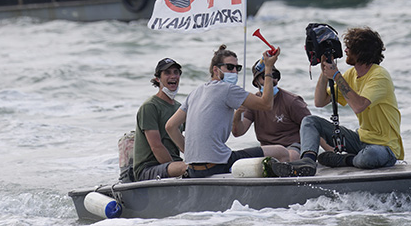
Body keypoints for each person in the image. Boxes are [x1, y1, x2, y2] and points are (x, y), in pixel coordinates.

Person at [269, 27, 402, 177]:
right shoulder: (351, 74)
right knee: (310, 121)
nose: (345, 50)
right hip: (360, 139)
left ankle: (346, 160)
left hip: (385, 146)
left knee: (369, 156)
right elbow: (320, 101)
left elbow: (359, 105)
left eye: (349, 47)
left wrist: (337, 76)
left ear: (361, 52)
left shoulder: (379, 75)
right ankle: (307, 161)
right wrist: (325, 72)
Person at [165, 46, 289, 178]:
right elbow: (267, 104)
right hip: (216, 165)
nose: (234, 72)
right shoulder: (228, 89)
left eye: (237, 68)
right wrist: (268, 68)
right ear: (215, 70)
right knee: (281, 152)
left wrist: (190, 152)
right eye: (230, 67)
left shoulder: (195, 92)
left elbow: (170, 126)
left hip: (193, 168)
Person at [232, 59, 314, 161]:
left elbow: (313, 128)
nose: (271, 80)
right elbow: (238, 132)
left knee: (291, 156)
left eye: (274, 75)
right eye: (265, 77)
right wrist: (238, 114)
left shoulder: (292, 101)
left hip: (292, 146)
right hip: (268, 149)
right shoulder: (253, 103)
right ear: (256, 82)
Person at [133, 58, 188, 181]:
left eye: (176, 72)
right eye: (167, 73)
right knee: (191, 169)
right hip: (148, 168)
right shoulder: (150, 107)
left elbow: (187, 142)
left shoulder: (179, 108)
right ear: (158, 78)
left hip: (174, 164)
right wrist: (177, 171)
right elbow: (156, 146)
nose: (173, 76)